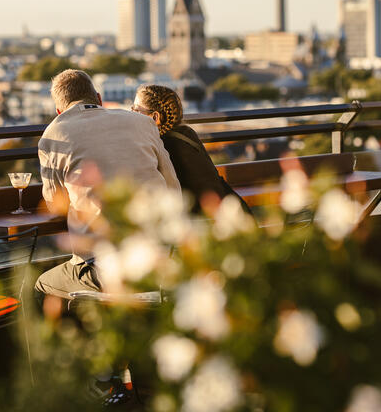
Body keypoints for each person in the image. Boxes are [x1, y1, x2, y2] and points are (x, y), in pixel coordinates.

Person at [35, 70, 181, 301]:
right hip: (161, 257)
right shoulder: (143, 122)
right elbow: (173, 189)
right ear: (99, 99)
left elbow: (54, 205)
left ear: (59, 111)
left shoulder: (54, 133)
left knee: (41, 284)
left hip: (104, 266)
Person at [132, 84, 253, 216]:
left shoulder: (161, 145)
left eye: (136, 110)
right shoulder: (187, 133)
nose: (131, 114)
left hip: (208, 221)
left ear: (155, 117)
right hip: (234, 212)